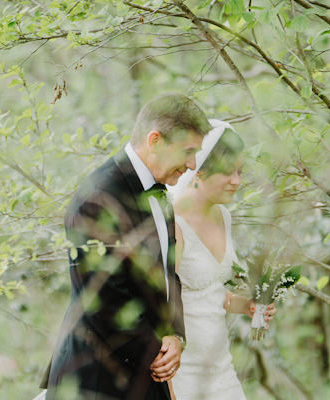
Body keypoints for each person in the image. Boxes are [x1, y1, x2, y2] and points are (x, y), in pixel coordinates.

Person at [41, 93, 211, 400]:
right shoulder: (98, 196)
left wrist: (175, 335)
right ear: (155, 141)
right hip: (98, 379)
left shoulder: (160, 192)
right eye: (188, 151)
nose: (192, 164)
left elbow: (167, 275)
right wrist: (157, 349)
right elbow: (104, 297)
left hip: (145, 374)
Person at [168, 121, 277, 400]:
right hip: (182, 375)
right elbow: (161, 307)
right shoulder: (175, 224)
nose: (237, 181)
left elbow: (213, 293)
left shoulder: (223, 216)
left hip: (222, 372)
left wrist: (247, 307)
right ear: (199, 170)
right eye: (228, 172)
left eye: (240, 171)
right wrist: (169, 392)